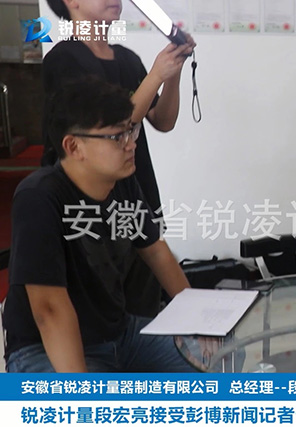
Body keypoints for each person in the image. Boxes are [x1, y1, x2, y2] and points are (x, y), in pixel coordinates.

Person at [3, 77, 196, 373]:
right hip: (42, 348)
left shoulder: (122, 182)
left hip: (119, 335)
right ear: (74, 146)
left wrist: (199, 320)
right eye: (117, 137)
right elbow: (49, 310)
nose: (131, 144)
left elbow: (156, 252)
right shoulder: (39, 197)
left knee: (217, 360)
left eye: (131, 130)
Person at [42, 0, 196, 317]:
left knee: (143, 301)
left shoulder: (127, 59)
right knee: (96, 309)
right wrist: (156, 74)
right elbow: (106, 131)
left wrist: (172, 73)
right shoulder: (63, 59)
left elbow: (163, 120)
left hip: (134, 190)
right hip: (85, 205)